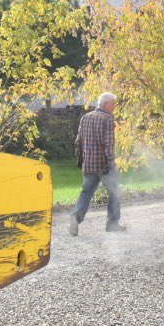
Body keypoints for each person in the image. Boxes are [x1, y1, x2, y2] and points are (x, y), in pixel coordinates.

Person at [70, 92, 124, 235]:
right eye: (113, 103)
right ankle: (112, 224)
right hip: (104, 165)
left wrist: (80, 159)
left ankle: (76, 216)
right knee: (115, 192)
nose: (115, 106)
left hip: (89, 165)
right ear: (106, 104)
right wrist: (110, 162)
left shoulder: (85, 118)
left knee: (86, 192)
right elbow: (109, 144)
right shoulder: (107, 119)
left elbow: (78, 142)